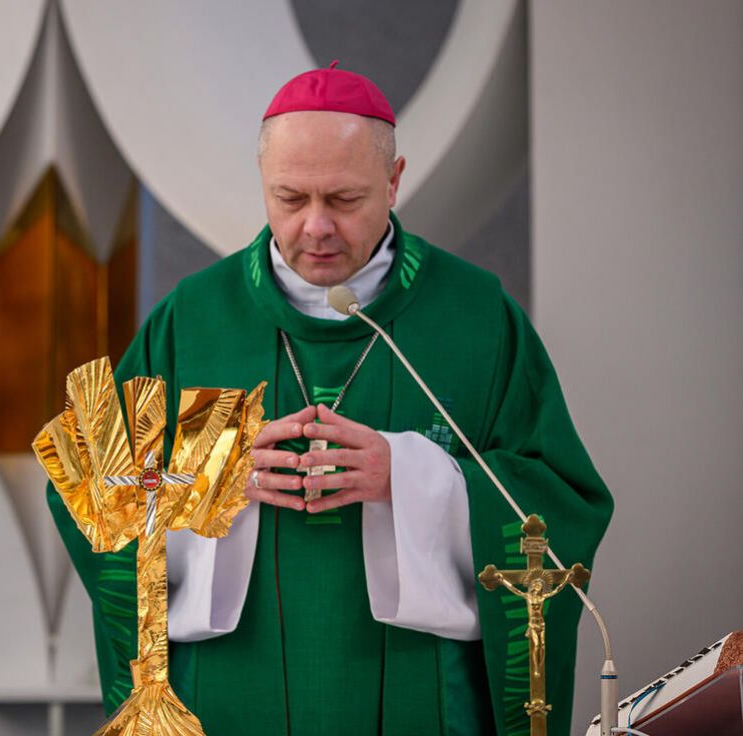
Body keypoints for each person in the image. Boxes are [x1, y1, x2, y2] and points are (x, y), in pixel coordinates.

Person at [48, 63, 613, 735]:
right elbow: (88, 494)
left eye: (343, 200)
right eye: (289, 198)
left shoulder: (475, 315)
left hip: (422, 695)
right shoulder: (193, 316)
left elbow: (557, 502)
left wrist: (408, 476)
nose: (315, 227)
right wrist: (207, 475)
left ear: (393, 180)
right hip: (226, 696)